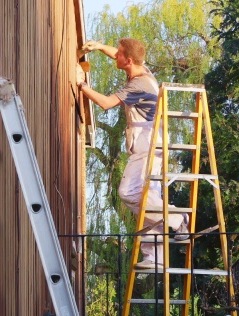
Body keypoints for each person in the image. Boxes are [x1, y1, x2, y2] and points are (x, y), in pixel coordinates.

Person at [78, 38, 189, 269]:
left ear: (128, 60)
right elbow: (118, 55)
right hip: (149, 144)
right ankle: (155, 257)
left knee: (129, 193)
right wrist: (99, 48)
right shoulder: (142, 70)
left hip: (147, 146)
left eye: (119, 54)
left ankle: (178, 219)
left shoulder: (138, 85)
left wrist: (82, 86)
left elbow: (107, 103)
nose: (115, 56)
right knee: (149, 197)